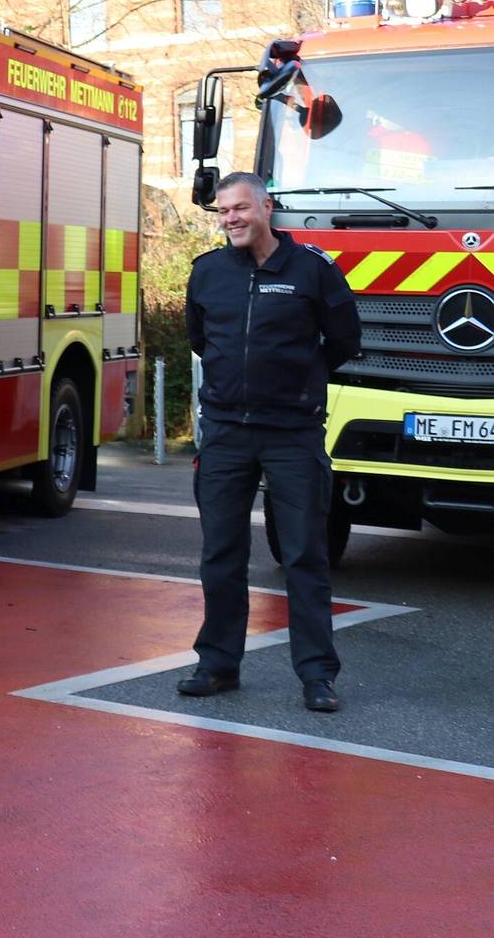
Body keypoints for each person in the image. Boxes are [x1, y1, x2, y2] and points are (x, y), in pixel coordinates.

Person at [182, 171, 361, 713]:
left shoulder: (312, 270)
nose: (230, 219)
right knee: (221, 554)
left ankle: (317, 676)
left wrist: (297, 386)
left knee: (306, 554)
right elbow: (199, 339)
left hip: (292, 433)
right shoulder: (207, 273)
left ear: (266, 206)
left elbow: (344, 340)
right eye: (222, 212)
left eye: (239, 208)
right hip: (227, 434)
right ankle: (217, 664)